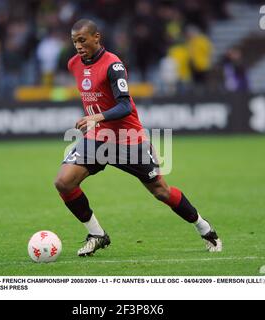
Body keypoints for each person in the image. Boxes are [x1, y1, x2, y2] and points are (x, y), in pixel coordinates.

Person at [54, 19, 222, 256]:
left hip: (128, 139)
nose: (78, 46)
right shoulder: (74, 64)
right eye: (74, 42)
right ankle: (97, 234)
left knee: (161, 191)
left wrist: (96, 117)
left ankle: (204, 228)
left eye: (82, 40)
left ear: (96, 38)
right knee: (64, 182)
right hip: (97, 138)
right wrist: (95, 122)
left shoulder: (113, 65)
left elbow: (124, 106)